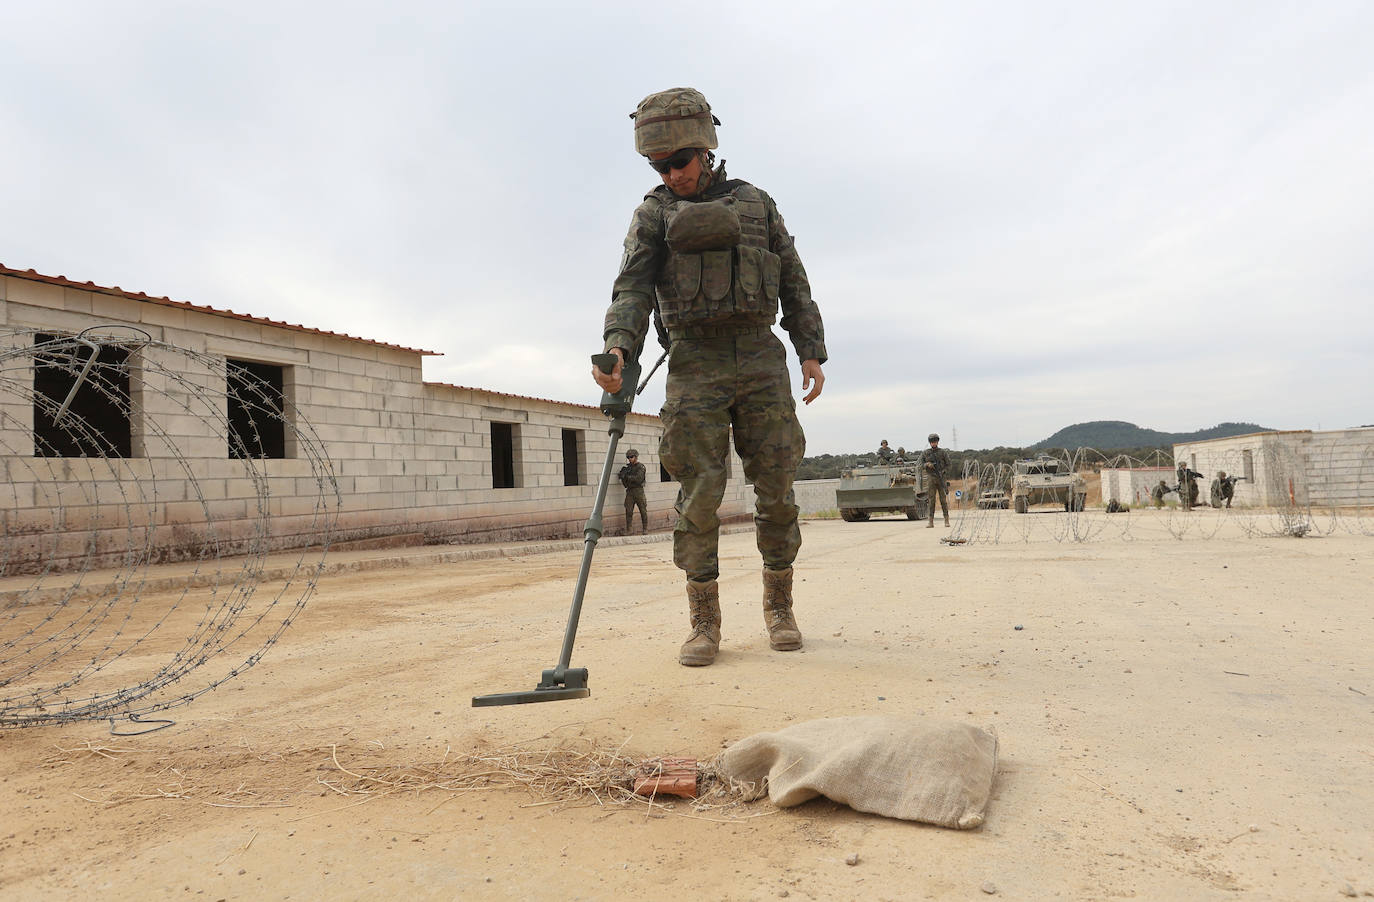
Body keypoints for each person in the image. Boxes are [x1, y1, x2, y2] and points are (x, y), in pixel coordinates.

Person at [592, 87, 827, 668]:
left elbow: (794, 280)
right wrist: (618, 350)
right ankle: (703, 623)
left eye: (679, 162)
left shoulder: (757, 204)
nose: (671, 175)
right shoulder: (653, 214)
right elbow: (632, 290)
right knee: (698, 495)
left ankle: (780, 608)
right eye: (658, 165)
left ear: (706, 149)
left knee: (775, 488)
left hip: (759, 357)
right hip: (693, 363)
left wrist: (810, 350)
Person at [917, 433, 950, 528]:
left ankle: (946, 520)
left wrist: (944, 471)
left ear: (937, 442)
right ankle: (930, 521)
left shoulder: (942, 452)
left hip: (941, 478)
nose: (933, 443)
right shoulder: (926, 453)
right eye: (932, 442)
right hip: (931, 477)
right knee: (931, 501)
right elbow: (919, 465)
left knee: (943, 500)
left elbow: (949, 465)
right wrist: (927, 464)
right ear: (930, 443)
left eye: (935, 441)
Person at [618, 449, 648, 533]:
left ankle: (645, 529)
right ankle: (629, 530)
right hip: (630, 491)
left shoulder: (640, 467)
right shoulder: (628, 468)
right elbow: (625, 484)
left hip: (638, 491)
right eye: (628, 457)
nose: (630, 459)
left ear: (636, 457)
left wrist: (628, 477)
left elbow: (639, 479)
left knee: (643, 510)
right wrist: (623, 477)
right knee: (628, 511)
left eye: (631, 457)